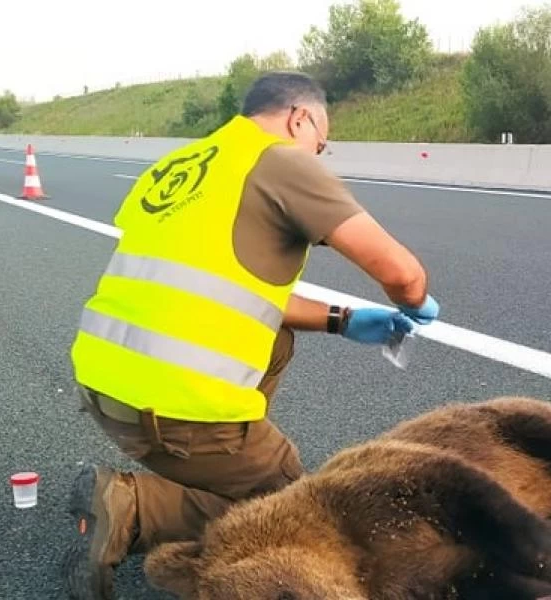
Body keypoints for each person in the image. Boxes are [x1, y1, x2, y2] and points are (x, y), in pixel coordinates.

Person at [61, 70, 440, 599]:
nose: (318, 155)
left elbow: (232, 287)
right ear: (298, 118)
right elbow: (403, 273)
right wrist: (417, 303)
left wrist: (345, 320)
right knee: (295, 514)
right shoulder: (280, 160)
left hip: (106, 383)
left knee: (278, 339)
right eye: (321, 144)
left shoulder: (188, 162)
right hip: (170, 405)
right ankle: (133, 508)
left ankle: (220, 464)